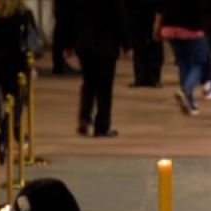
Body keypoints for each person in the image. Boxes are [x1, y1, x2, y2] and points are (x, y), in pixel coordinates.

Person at [57, 0, 131, 137]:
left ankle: (85, 117)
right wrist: (126, 46)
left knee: (88, 83)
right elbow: (121, 19)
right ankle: (102, 125)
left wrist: (68, 44)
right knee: (105, 87)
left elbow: (70, 18)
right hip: (107, 45)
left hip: (85, 44)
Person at [0, 0, 36, 149]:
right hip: (17, 63)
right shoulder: (23, 14)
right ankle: (7, 136)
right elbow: (32, 37)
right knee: (16, 102)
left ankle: (9, 133)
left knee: (7, 99)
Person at [160, 0, 210, 115]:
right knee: (201, 62)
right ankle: (186, 90)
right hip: (192, 26)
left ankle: (190, 102)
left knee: (183, 63)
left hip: (170, 25)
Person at [126, 0, 164, 87]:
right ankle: (140, 76)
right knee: (138, 44)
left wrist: (160, 10)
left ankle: (154, 77)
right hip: (136, 10)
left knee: (155, 42)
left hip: (153, 9)